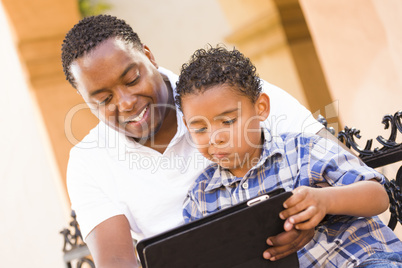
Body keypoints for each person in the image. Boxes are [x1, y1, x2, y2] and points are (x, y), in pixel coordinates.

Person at [62, 14, 337, 267]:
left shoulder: (234, 94)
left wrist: (310, 217)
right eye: (104, 100)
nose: (126, 102)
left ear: (149, 56)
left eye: (133, 79)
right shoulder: (89, 161)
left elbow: (341, 166)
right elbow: (117, 262)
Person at [176, 46, 402, 267]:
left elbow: (378, 196)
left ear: (261, 108)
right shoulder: (200, 200)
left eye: (228, 121)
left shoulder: (303, 150)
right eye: (199, 129)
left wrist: (324, 201)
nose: (215, 137)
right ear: (187, 125)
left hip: (362, 260)